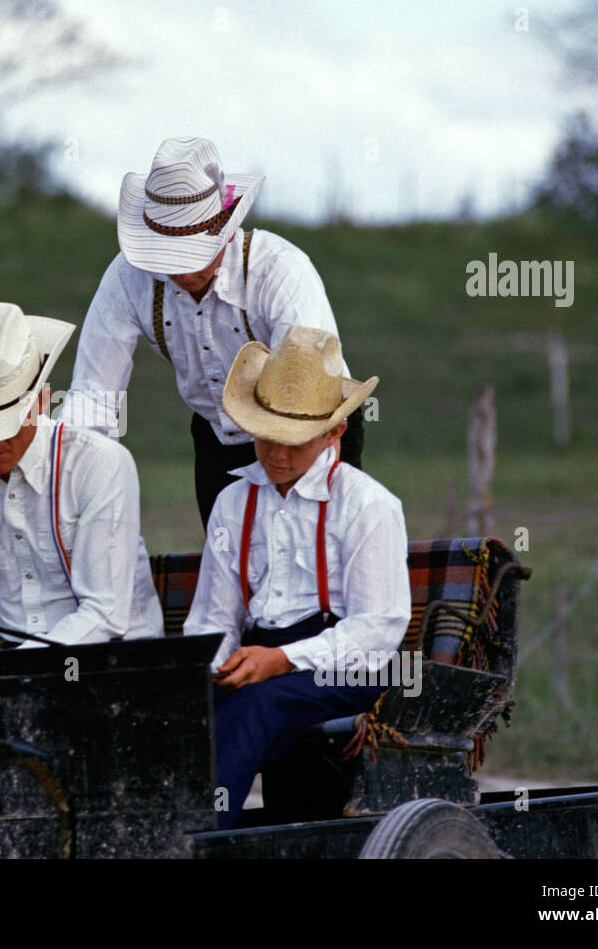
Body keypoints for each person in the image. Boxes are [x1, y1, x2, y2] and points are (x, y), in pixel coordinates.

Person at [67, 136, 365, 528]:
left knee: (315, 556)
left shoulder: (281, 272)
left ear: (225, 228)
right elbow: (93, 400)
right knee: (231, 560)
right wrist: (78, 493)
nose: (183, 270)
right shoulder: (127, 279)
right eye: (168, 254)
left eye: (194, 251)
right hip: (216, 435)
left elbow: (309, 393)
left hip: (310, 427)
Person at [183, 326, 409, 829]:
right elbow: (215, 617)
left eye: (295, 441)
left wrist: (284, 659)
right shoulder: (233, 502)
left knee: (253, 711)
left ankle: (196, 837)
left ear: (334, 434)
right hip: (258, 653)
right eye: (266, 437)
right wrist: (209, 672)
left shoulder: (367, 505)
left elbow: (378, 631)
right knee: (180, 714)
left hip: (345, 666)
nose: (276, 455)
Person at [0, 301, 164, 651]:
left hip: (111, 656)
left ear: (42, 401)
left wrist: (16, 666)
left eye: (7, 423)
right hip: (5, 657)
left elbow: (104, 612)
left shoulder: (100, 463)